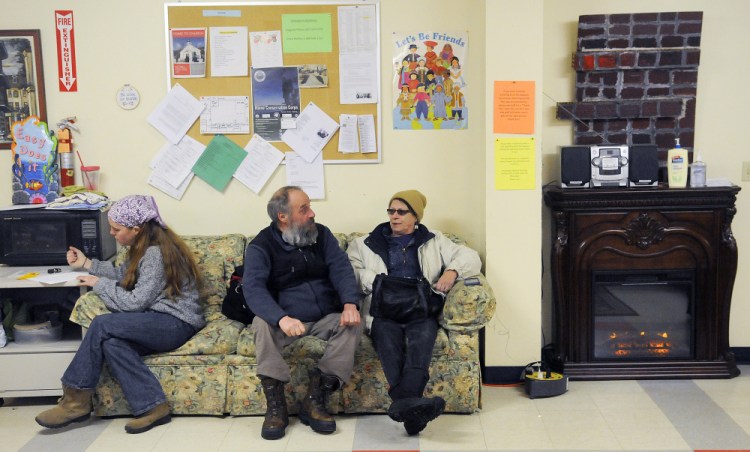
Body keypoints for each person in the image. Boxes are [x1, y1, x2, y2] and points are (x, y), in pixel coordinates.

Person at [35, 195, 205, 434]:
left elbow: (134, 303)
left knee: (102, 325)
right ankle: (153, 406)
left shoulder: (156, 254)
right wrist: (87, 264)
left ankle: (75, 401)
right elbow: (122, 273)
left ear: (136, 229)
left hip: (175, 323)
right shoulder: (142, 247)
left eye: (116, 229)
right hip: (157, 320)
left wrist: (98, 284)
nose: (112, 233)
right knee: (113, 344)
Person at [347, 190, 481, 436]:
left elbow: (470, 257)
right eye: (391, 211)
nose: (394, 216)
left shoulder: (435, 240)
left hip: (420, 308)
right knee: (388, 341)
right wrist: (378, 282)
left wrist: (452, 271)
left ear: (416, 216)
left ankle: (404, 404)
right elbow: (349, 272)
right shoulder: (365, 242)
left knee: (421, 341)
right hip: (383, 309)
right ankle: (413, 411)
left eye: (401, 212)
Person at [243, 186, 362, 440]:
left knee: (352, 323)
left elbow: (341, 268)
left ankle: (315, 399)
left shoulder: (321, 235)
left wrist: (350, 303)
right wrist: (280, 318)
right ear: (283, 217)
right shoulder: (261, 246)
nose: (312, 213)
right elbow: (253, 289)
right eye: (304, 209)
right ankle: (276, 407)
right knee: (260, 323)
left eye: (310, 207)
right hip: (288, 320)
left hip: (325, 317)